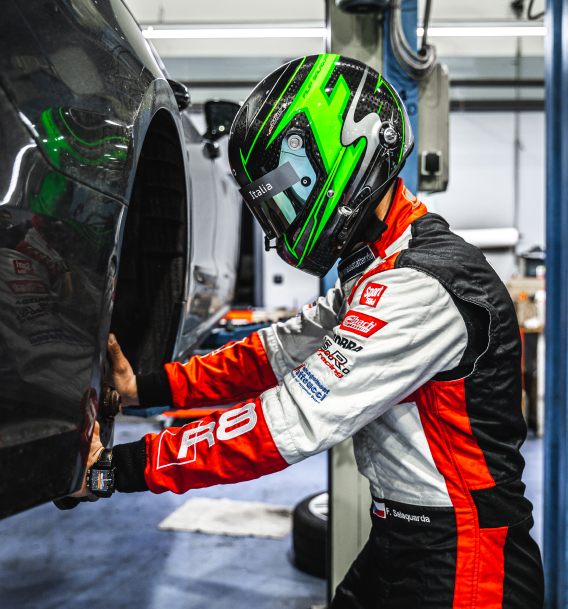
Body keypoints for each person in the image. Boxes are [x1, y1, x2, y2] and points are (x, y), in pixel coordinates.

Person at [78, 54, 544, 607]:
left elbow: (291, 421)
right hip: (408, 539)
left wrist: (118, 467)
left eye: (287, 192)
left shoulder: (420, 284)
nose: (281, 223)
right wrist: (147, 388)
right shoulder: (382, 265)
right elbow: (277, 351)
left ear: (341, 161)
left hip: (467, 559)